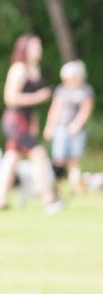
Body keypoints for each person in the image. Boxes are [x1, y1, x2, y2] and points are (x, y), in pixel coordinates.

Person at [0, 33, 62, 214]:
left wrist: (34, 122)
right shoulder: (19, 69)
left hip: (27, 120)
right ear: (24, 49)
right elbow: (10, 98)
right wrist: (38, 97)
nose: (39, 49)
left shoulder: (35, 69)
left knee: (12, 158)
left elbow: (32, 107)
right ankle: (49, 200)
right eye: (35, 46)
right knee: (38, 155)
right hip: (15, 120)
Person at [43, 59, 95, 193]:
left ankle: (75, 186)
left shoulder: (86, 90)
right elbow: (55, 109)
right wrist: (49, 126)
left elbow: (86, 110)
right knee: (58, 158)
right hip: (61, 127)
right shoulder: (62, 90)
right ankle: (56, 186)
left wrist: (76, 125)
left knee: (74, 158)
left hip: (77, 130)